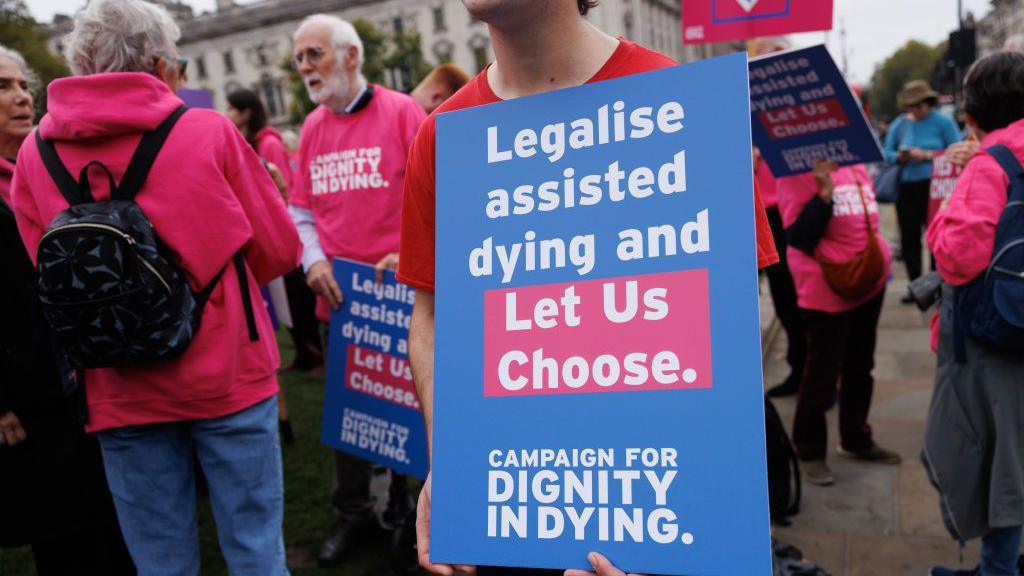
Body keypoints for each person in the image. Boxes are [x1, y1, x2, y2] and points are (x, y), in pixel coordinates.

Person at [396, 1, 778, 573]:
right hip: (505, 513)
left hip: (654, 519)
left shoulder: (683, 101)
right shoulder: (440, 135)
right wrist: (449, 463)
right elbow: (429, 316)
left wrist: (685, 518)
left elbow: (728, 322)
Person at [9, 1, 300, 574]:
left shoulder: (34, 154)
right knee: (255, 550)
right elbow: (279, 250)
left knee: (160, 561)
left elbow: (43, 270)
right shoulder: (207, 131)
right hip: (227, 375)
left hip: (118, 386)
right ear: (163, 66)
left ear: (81, 60)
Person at [287, 13, 426, 570]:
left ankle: (409, 515)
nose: (303, 68)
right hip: (340, 305)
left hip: (404, 302)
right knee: (349, 421)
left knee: (412, 417)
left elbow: (440, 194)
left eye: (313, 54)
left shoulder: (401, 113)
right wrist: (313, 260)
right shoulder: (313, 128)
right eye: (299, 58)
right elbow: (300, 209)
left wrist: (413, 255)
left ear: (351, 56)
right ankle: (354, 515)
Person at [0, 43, 136, 576]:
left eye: (21, 84)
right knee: (62, 539)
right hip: (28, 399)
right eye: (2, 87)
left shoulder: (42, 166)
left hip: (87, 378)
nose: (21, 96)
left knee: (112, 522)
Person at [924, 51, 1024, 576]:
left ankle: (997, 568)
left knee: (996, 464)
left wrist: (950, 206)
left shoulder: (992, 163)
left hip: (996, 340)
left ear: (974, 113)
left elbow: (957, 260)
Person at [776, 159, 900, 486]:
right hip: (826, 288)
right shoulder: (795, 171)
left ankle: (856, 439)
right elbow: (799, 237)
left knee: (861, 366)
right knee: (822, 373)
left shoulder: (856, 164)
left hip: (869, 282)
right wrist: (824, 194)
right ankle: (810, 449)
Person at [753, 36, 806, 399]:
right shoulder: (750, 113)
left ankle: (809, 369)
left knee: (805, 296)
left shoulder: (800, 112)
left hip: (799, 210)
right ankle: (800, 368)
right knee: (785, 296)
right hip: (769, 212)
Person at [883, 80, 961, 299]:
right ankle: (916, 285)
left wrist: (927, 155)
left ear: (928, 103)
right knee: (909, 238)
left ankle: (937, 283)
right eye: (910, 107)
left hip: (935, 186)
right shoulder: (900, 124)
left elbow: (956, 149)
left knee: (937, 236)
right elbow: (886, 152)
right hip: (906, 186)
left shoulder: (943, 122)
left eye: (918, 106)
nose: (914, 111)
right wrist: (900, 156)